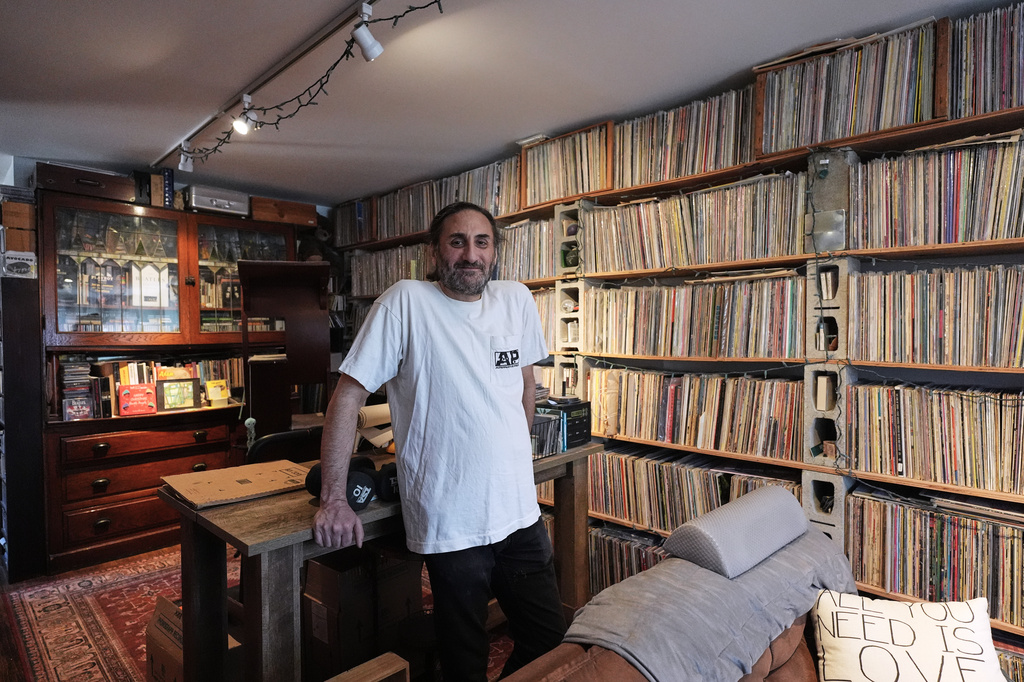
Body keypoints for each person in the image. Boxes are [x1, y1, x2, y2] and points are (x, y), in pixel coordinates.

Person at [312, 201, 567, 680]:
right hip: (451, 522)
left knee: (549, 638)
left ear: (494, 252)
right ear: (435, 251)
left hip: (518, 513)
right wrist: (333, 499)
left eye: (481, 242)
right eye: (457, 241)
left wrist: (515, 456)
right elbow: (348, 396)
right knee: (464, 659)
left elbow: (526, 385)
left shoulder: (515, 300)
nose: (470, 254)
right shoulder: (406, 301)